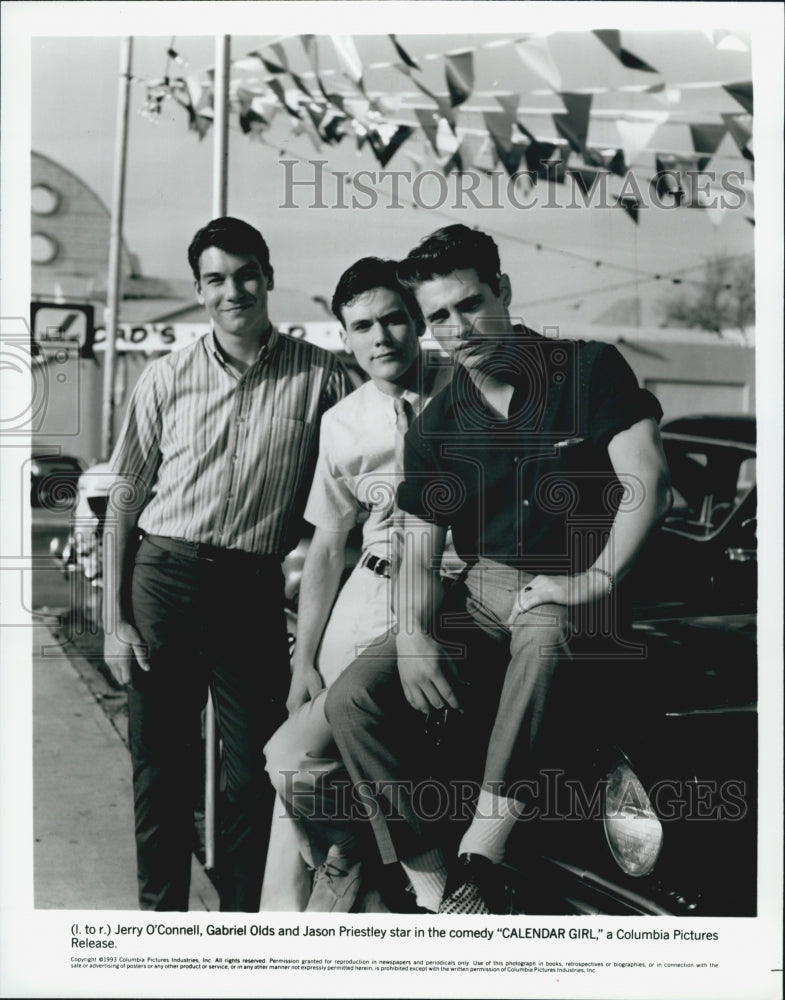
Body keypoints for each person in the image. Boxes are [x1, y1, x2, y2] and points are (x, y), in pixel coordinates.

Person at [323, 224, 673, 914]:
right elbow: (418, 552)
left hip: (580, 585)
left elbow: (649, 483)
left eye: (470, 303)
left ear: (502, 292)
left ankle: (482, 852)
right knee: (351, 698)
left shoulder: (590, 369)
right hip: (481, 590)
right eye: (439, 316)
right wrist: (415, 634)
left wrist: (591, 581)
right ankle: (437, 892)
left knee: (544, 631)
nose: (458, 326)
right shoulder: (436, 427)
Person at [103, 217, 352, 911]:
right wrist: (111, 619)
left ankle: (241, 932)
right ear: (199, 289)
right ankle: (161, 922)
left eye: (245, 274)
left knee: (252, 775)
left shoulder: (322, 377)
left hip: (250, 591)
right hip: (166, 579)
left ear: (267, 277)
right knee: (163, 769)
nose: (232, 290)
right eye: (215, 278)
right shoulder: (165, 376)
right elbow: (123, 498)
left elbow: (363, 466)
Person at [262, 257, 454, 913]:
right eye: (362, 326)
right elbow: (325, 545)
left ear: (417, 320)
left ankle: (419, 886)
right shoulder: (343, 421)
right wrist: (303, 660)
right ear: (345, 337)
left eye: (394, 319)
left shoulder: (469, 393)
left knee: (411, 745)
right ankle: (350, 849)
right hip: (367, 594)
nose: (381, 338)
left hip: (452, 594)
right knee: (294, 756)